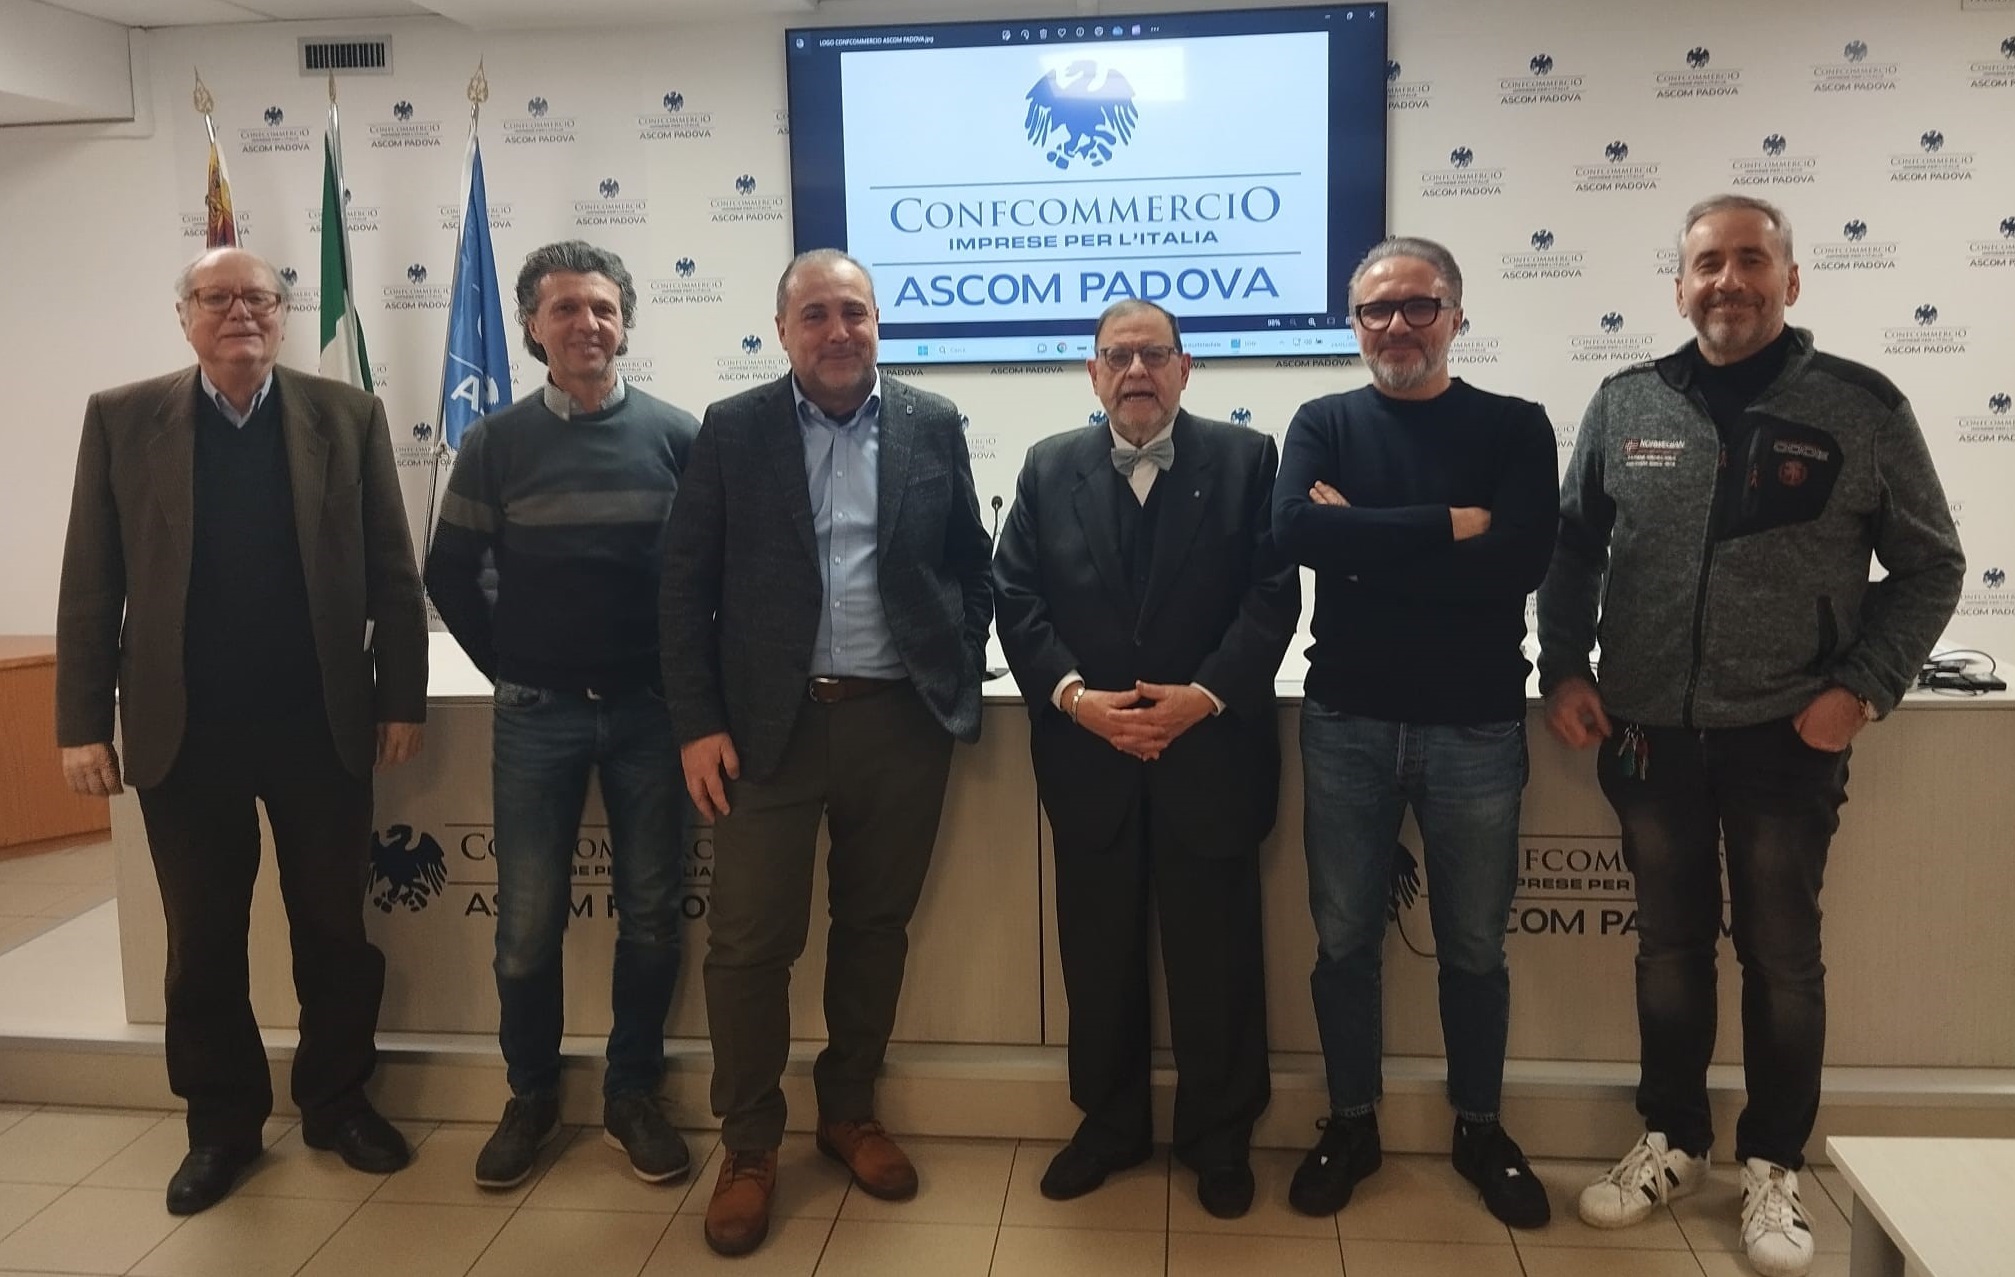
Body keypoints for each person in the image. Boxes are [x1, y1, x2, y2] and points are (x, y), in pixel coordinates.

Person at [1538, 194, 1963, 1277]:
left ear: (1789, 278)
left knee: (1779, 955)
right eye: (1706, 263)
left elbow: (1931, 565)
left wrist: (1861, 686)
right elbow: (1571, 546)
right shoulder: (1625, 400)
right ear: (1679, 285)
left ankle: (1773, 1162)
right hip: (1649, 732)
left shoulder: (1858, 405)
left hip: (1786, 734)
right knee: (1668, 947)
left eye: (1749, 260)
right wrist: (1566, 666)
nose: (1726, 280)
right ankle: (1672, 1140)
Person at [55, 247, 427, 1215]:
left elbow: (393, 571)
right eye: (216, 298)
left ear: (284, 313)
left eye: (258, 297)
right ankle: (220, 1124)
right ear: (183, 315)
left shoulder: (347, 416)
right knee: (203, 939)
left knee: (335, 929)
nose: (240, 314)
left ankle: (338, 1102)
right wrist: (82, 721)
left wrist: (402, 697)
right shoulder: (121, 417)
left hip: (320, 724)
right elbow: (91, 580)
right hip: (187, 733)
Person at [659, 248, 993, 1257]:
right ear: (782, 330)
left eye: (853, 311)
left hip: (899, 723)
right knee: (748, 947)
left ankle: (848, 1111)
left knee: (874, 926)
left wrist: (951, 666)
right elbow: (683, 585)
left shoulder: (932, 421)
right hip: (767, 730)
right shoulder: (734, 428)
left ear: (878, 321)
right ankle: (749, 1143)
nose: (837, 331)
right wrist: (696, 721)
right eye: (814, 314)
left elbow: (968, 562)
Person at [1272, 237, 1559, 1230]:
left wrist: (1364, 539)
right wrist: (1448, 525)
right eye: (1375, 309)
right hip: (1345, 721)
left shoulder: (1514, 426)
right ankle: (1351, 1122)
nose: (1396, 324)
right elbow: (1295, 534)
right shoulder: (1322, 422)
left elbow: (1518, 563)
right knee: (1343, 939)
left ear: (1455, 315)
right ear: (1353, 324)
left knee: (1474, 945)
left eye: (1418, 305)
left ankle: (1478, 1126)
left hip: (1474, 725)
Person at [993, 299, 1298, 1219]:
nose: (1136, 370)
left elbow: (1272, 596)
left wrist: (1201, 696)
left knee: (1217, 962)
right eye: (1117, 355)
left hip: (1210, 754)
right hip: (1090, 760)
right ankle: (1109, 1124)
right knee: (1098, 959)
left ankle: (1218, 1135)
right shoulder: (1047, 466)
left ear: (1184, 368)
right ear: (1092, 372)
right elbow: (1015, 597)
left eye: (1154, 354)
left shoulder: (1247, 460)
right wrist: (1076, 700)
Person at [426, 241, 701, 1191]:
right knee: (526, 926)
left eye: (602, 308)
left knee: (653, 915)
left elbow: (706, 575)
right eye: (565, 309)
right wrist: (513, 665)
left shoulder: (677, 435)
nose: (586, 323)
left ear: (625, 321)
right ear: (532, 328)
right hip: (535, 715)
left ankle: (632, 1094)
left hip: (652, 714)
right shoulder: (495, 443)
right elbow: (449, 572)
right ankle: (532, 1096)